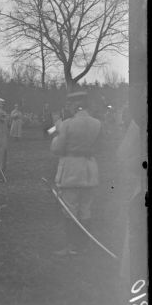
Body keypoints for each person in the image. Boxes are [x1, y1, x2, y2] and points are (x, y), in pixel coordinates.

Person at [51, 91, 102, 256]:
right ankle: (83, 245)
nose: (68, 107)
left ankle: (72, 246)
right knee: (86, 208)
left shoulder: (67, 124)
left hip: (72, 170)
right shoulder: (97, 123)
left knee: (70, 209)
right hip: (89, 169)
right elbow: (101, 147)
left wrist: (55, 137)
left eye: (70, 104)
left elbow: (57, 148)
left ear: (76, 105)